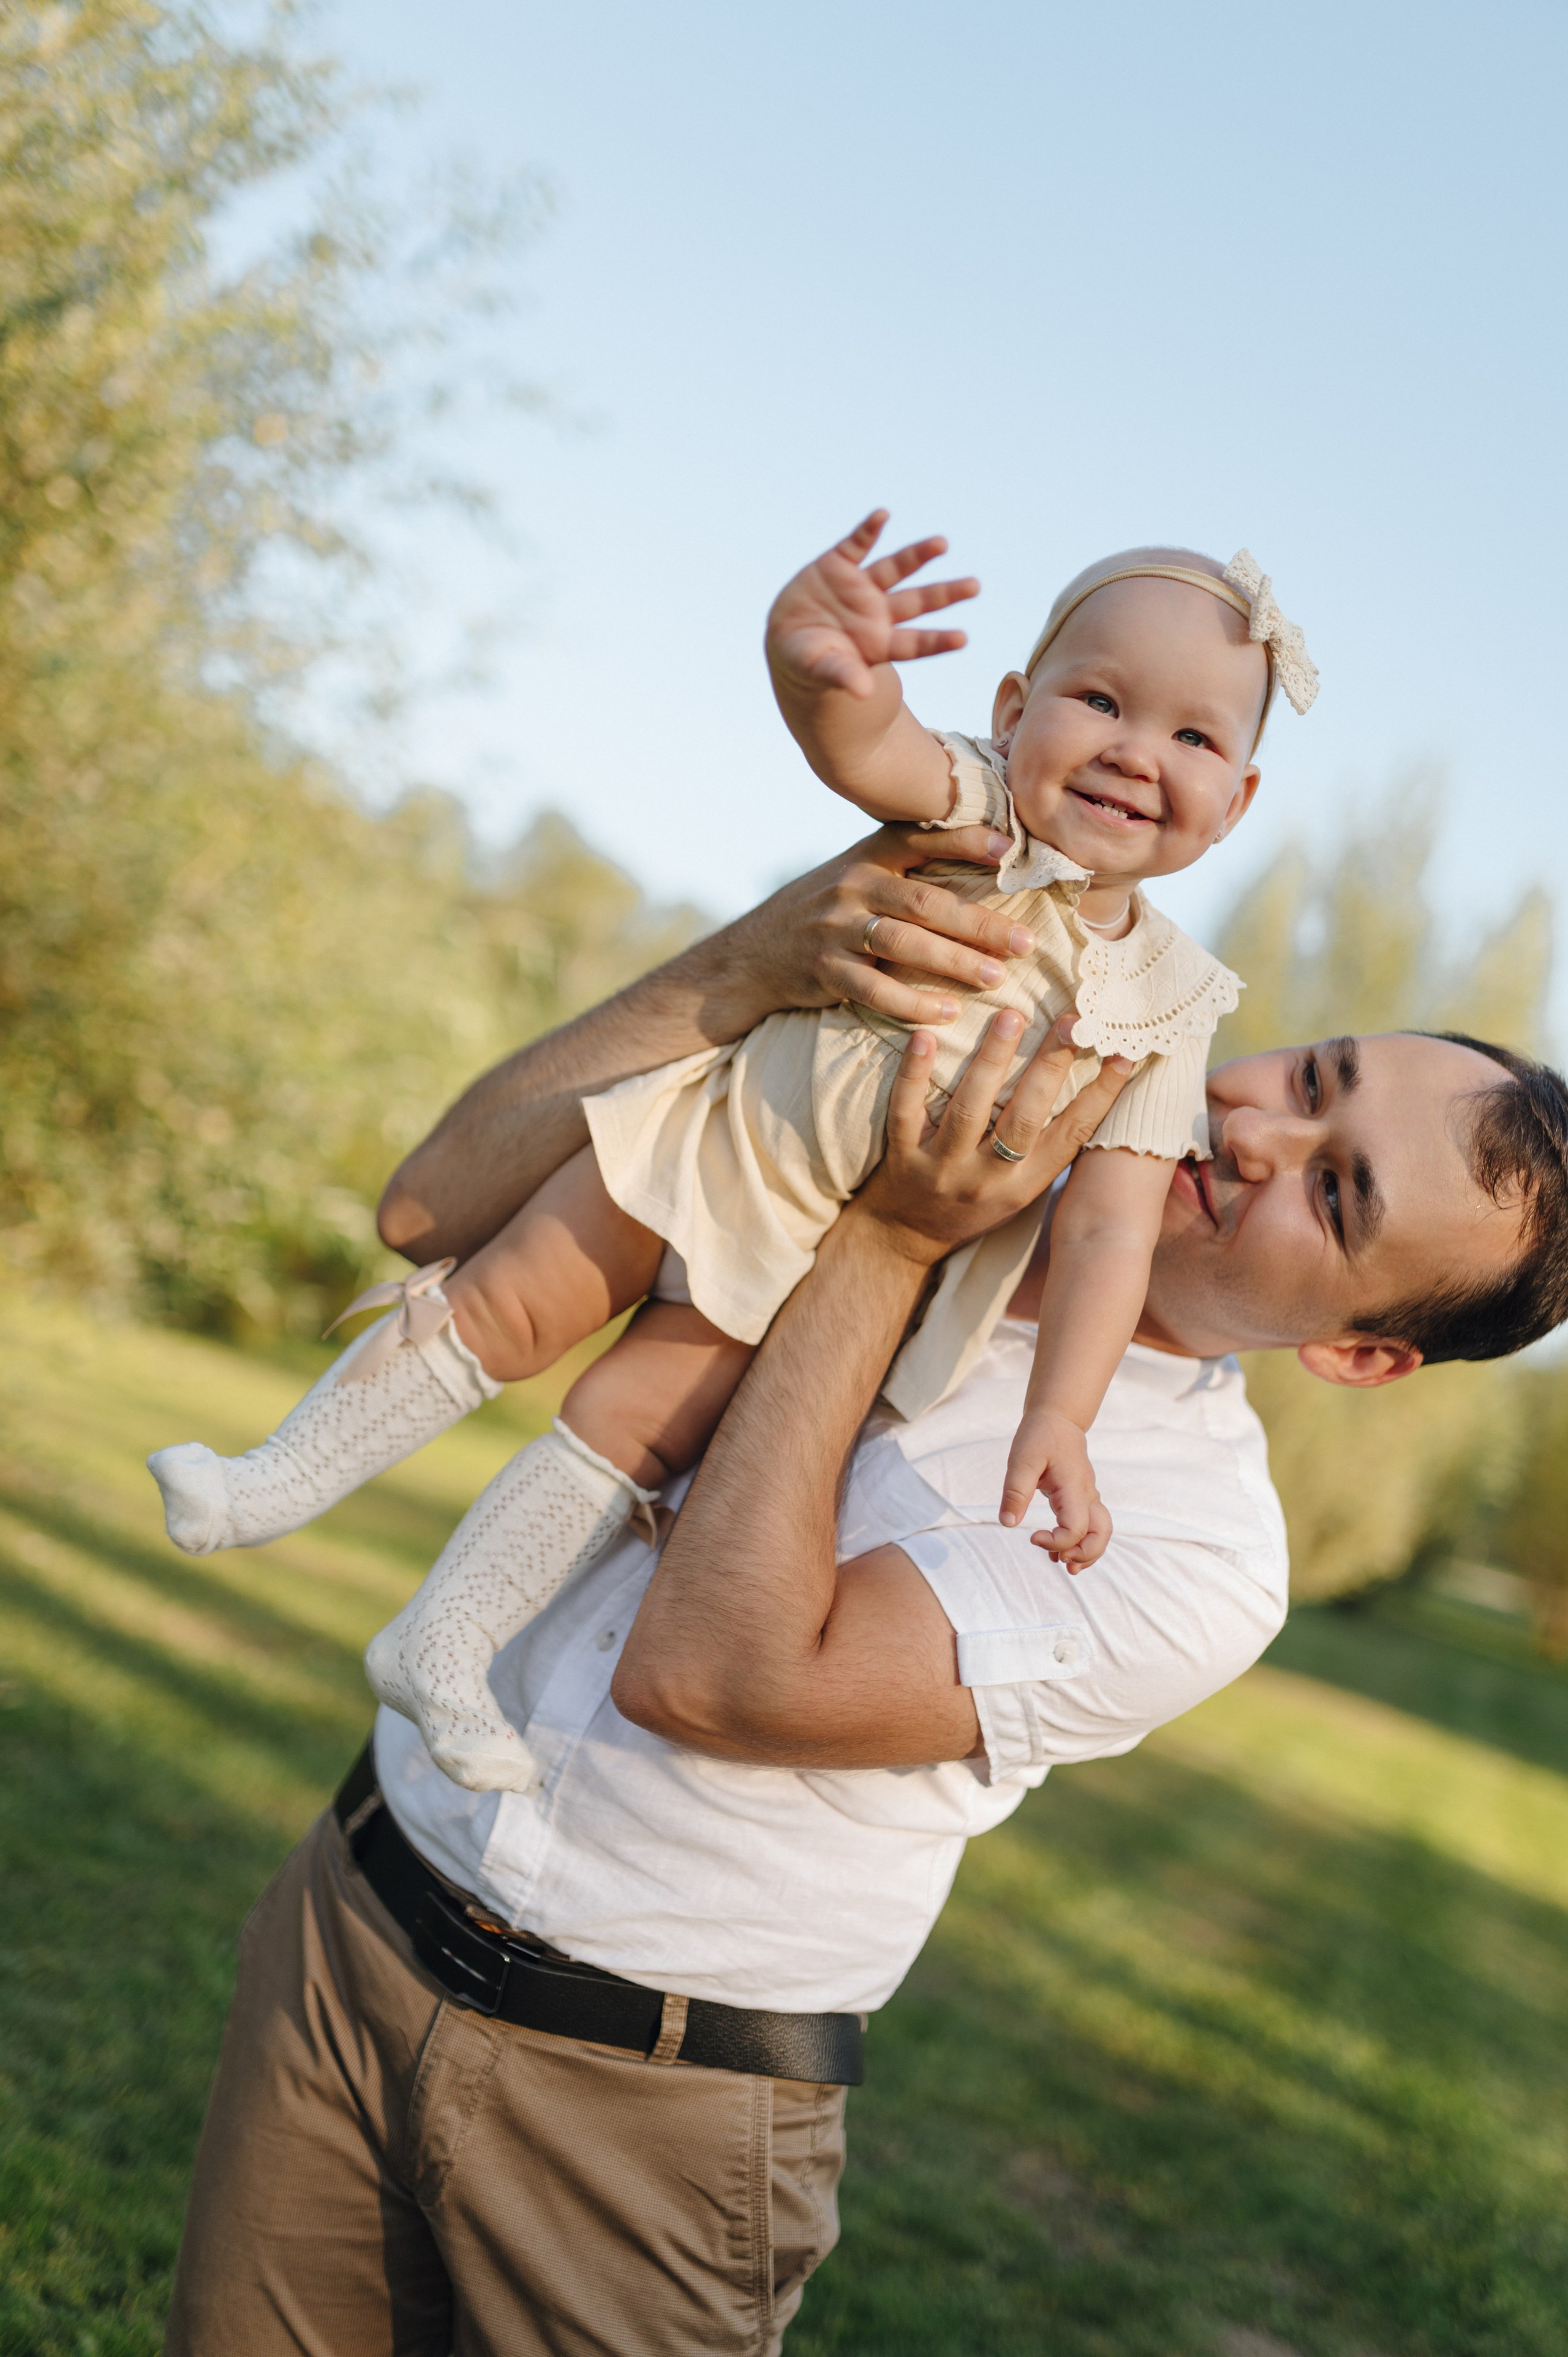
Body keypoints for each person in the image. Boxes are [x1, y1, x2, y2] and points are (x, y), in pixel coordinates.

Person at [164, 835, 1568, 2357]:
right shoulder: (895, 1100)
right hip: (354, 1914)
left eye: (1336, 1189)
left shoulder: (1192, 1552)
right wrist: (741, 965)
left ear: (1360, 1353)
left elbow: (713, 1674)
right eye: (1313, 1079)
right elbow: (432, 1211)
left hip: (638, 2104)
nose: (1250, 1129)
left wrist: (892, 1238)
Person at [147, 518, 1319, 1793]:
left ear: (1238, 800)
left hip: (802, 1259)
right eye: (1097, 699)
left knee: (626, 1431)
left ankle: (442, 1641)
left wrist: (1059, 1416)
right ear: (1011, 706)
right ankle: (274, 1479)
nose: (1134, 752)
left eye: (1193, 737)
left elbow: (1107, 1229)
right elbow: (863, 746)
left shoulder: (1166, 1000)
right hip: (716, 1134)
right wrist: (815, 664)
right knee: (506, 1299)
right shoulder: (974, 805)